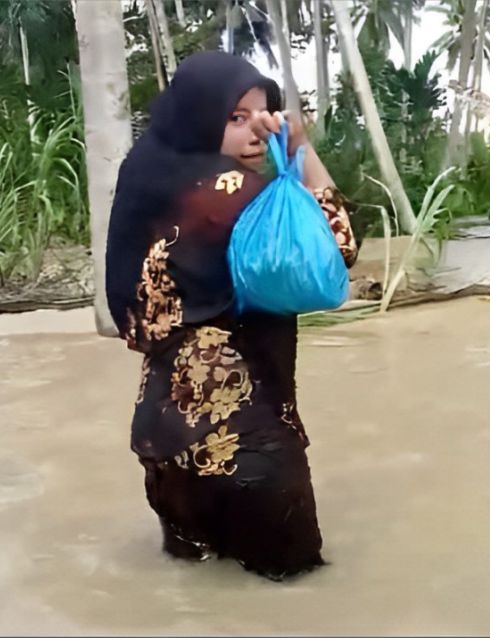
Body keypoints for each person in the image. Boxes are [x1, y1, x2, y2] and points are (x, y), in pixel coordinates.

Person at [106, 51, 356, 581]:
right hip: (243, 444)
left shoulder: (145, 168)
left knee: (196, 588)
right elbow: (338, 248)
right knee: (293, 584)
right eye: (235, 117)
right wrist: (299, 148)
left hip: (163, 441)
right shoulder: (228, 192)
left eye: (260, 116)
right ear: (201, 115)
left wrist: (265, 157)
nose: (251, 131)